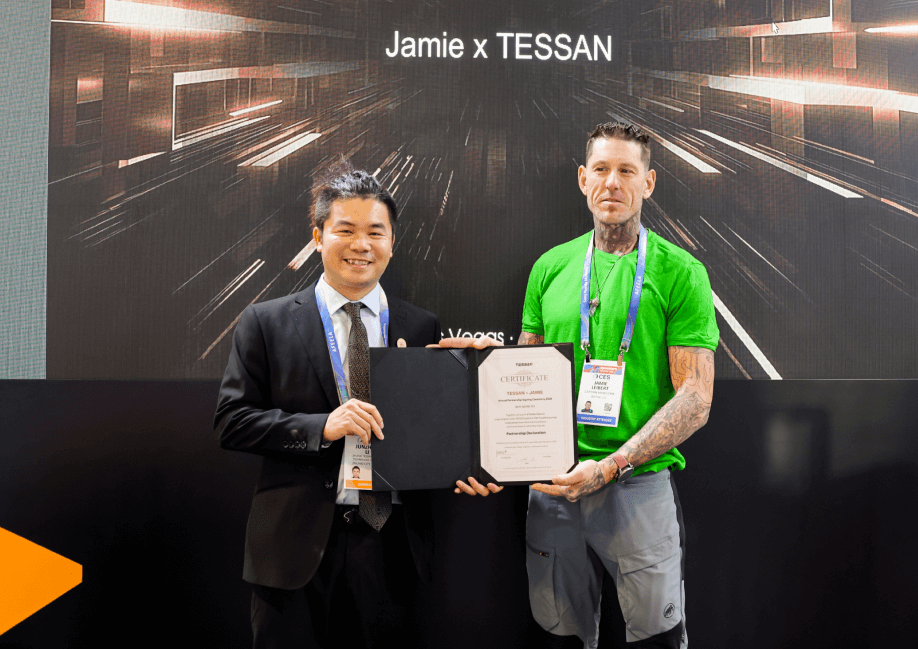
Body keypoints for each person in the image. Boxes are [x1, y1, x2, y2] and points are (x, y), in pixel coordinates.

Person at [214, 169, 497, 649]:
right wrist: (323, 427)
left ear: (392, 243)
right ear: (317, 237)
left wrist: (470, 446)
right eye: (345, 230)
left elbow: (434, 432)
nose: (361, 245)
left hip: (392, 549)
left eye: (375, 232)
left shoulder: (422, 326)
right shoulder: (265, 321)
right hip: (295, 549)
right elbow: (231, 422)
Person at [518, 122, 718, 648]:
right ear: (583, 179)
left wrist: (610, 466)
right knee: (558, 636)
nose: (612, 182)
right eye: (601, 169)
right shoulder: (549, 268)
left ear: (647, 183)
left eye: (627, 171)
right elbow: (522, 376)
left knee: (657, 638)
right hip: (553, 488)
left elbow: (695, 398)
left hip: (638, 488)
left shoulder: (681, 272)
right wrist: (476, 366)